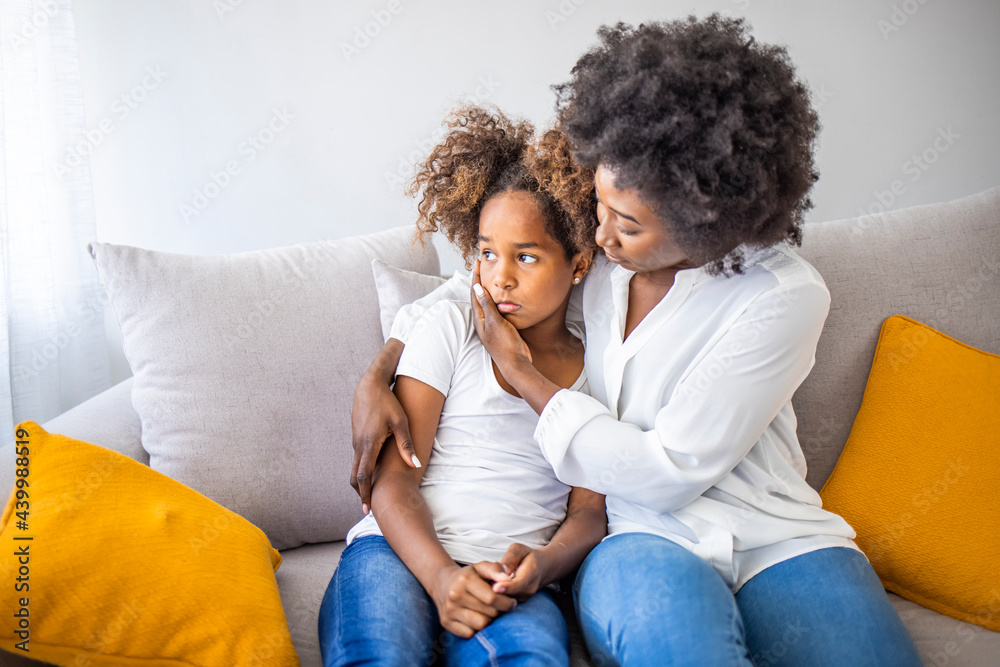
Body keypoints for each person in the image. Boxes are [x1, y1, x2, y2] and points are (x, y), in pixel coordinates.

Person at [351, 15, 922, 667]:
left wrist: (527, 377)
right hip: (640, 538)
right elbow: (479, 284)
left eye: (627, 224)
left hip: (775, 535)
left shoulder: (785, 294)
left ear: (709, 222)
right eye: (599, 205)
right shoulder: (600, 267)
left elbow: (668, 469)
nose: (599, 235)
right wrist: (379, 374)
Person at [320, 106, 607, 667]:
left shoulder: (600, 368)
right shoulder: (450, 327)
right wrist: (441, 577)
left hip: (509, 571)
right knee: (378, 655)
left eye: (526, 257)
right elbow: (395, 482)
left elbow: (589, 513)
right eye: (486, 252)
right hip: (397, 551)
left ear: (578, 264)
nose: (500, 276)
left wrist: (541, 568)